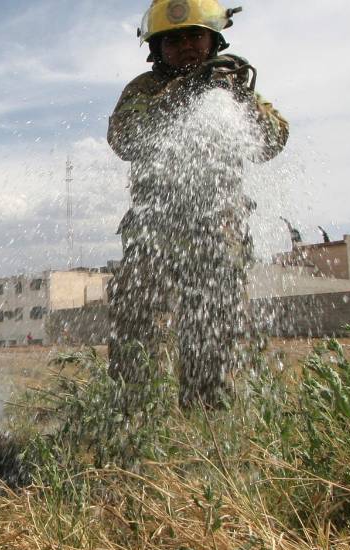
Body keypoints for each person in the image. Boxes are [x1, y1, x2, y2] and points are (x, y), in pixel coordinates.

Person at [106, 0, 288, 409]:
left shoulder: (232, 87)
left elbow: (272, 142)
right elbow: (125, 137)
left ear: (213, 39)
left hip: (218, 233)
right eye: (173, 40)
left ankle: (206, 425)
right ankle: (131, 416)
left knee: (212, 334)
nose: (186, 46)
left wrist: (239, 96)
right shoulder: (144, 89)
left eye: (194, 36)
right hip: (153, 232)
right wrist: (187, 90)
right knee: (136, 326)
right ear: (157, 49)